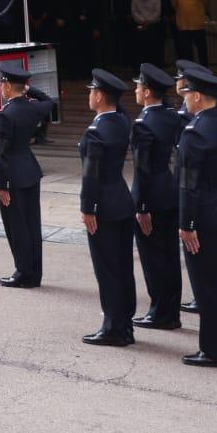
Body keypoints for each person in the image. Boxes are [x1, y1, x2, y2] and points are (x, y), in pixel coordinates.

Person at [176, 65, 217, 368]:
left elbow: (188, 185)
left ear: (198, 96)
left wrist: (186, 223)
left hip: (203, 216)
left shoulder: (194, 132)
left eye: (188, 93)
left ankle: (214, 349)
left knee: (207, 285)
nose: (186, 99)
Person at [79, 69, 136, 347]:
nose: (89, 95)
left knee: (107, 269)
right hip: (122, 200)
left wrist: (87, 207)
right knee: (123, 266)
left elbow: (91, 175)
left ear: (100, 96)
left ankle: (114, 327)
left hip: (103, 204)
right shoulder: (122, 123)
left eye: (92, 91)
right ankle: (125, 322)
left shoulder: (96, 132)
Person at [130, 64, 184, 330]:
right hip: (170, 190)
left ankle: (160, 311)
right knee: (170, 255)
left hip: (151, 195)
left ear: (148, 92)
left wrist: (140, 205)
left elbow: (142, 169)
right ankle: (171, 310)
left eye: (139, 87)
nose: (136, 91)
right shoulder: (172, 116)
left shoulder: (143, 124)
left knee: (153, 258)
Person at [0, 61, 45, 288]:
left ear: (6, 86)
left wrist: (1, 184)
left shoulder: (5, 115)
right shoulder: (32, 108)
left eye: (3, 83)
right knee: (32, 224)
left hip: (12, 175)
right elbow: (48, 101)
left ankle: (23, 272)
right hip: (30, 171)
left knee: (16, 226)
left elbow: (2, 154)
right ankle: (34, 273)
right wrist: (28, 88)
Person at [170, 0, 210, 64]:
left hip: (198, 24)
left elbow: (206, 3)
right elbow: (174, 5)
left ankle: (205, 70)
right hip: (183, 25)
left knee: (202, 49)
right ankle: (190, 71)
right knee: (186, 51)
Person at [130, 0, 163, 66]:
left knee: (154, 48)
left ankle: (155, 68)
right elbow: (134, 12)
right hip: (139, 25)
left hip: (153, 26)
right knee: (140, 48)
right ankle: (140, 68)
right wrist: (143, 21)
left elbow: (157, 13)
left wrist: (147, 21)